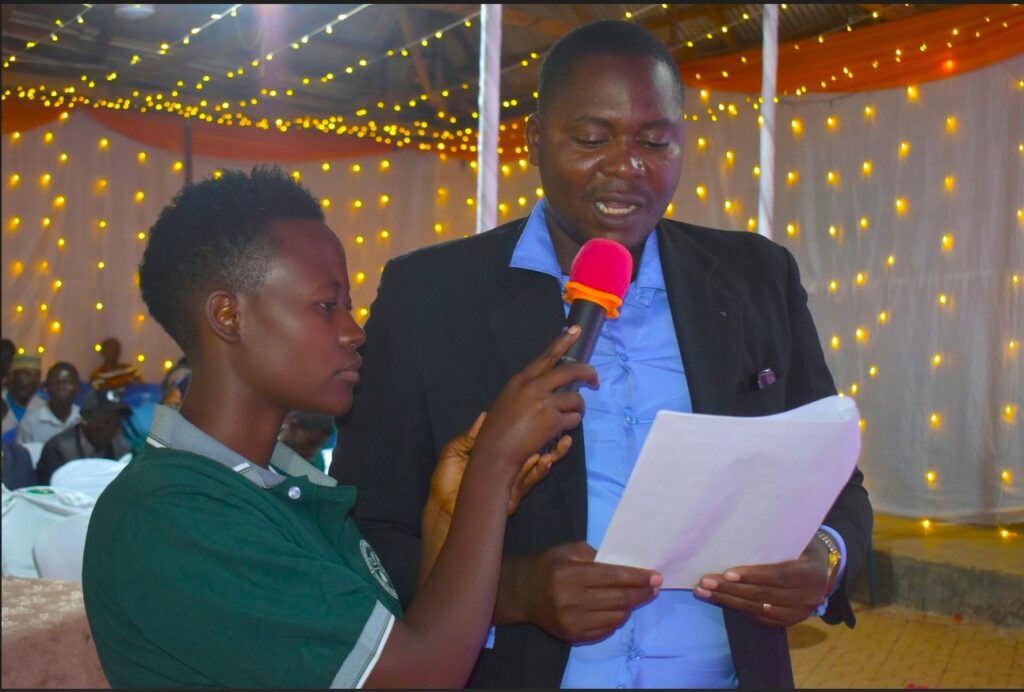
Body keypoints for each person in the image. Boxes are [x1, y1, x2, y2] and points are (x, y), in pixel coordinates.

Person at [332, 19, 872, 689]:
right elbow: (364, 531)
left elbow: (834, 479)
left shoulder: (755, 277)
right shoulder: (429, 295)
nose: (626, 166)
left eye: (655, 141)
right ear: (534, 139)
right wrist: (513, 591)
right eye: (591, 139)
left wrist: (824, 560)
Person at [81, 166, 601, 688]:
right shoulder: (174, 515)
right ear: (228, 316)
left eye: (348, 307)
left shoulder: (281, 490)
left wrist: (452, 516)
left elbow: (404, 640)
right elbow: (421, 676)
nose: (354, 332)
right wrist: (493, 464)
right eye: (327, 306)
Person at [36, 387, 133, 485]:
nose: (114, 428)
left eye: (118, 422)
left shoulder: (121, 447)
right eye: (107, 420)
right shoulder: (58, 449)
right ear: (85, 418)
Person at [17, 362, 82, 445]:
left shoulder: (85, 419)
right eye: (56, 382)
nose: (61, 387)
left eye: (66, 382)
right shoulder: (30, 424)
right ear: (46, 387)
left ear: (78, 387)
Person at [1, 354, 45, 443]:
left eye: (37, 376)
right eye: (27, 374)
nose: (32, 381)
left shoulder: (44, 407)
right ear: (12, 375)